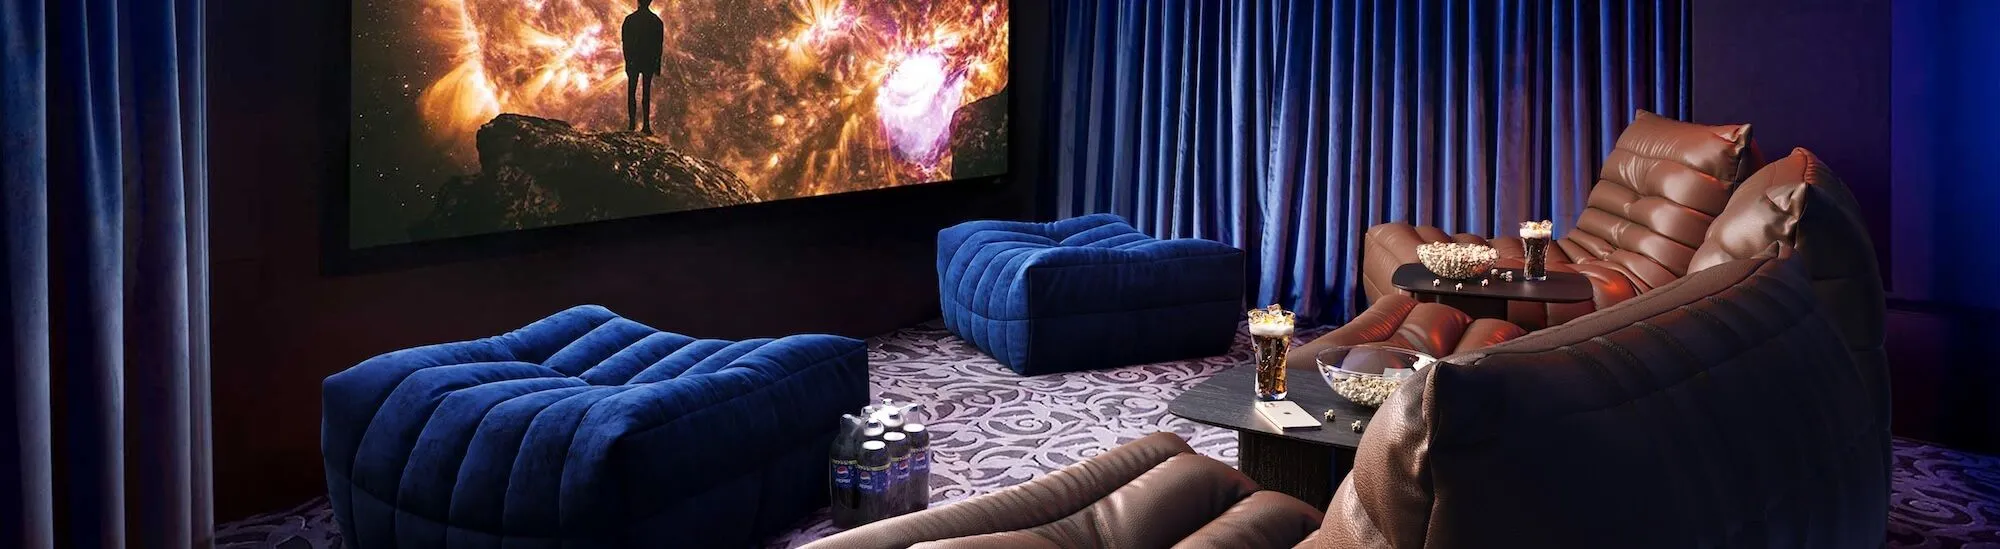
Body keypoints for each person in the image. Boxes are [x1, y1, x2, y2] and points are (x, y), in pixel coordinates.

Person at [622, 0, 665, 134]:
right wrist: (657, 65)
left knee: (632, 92)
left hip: (634, 60)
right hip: (648, 61)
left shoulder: (630, 20)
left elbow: (625, 44)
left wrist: (627, 61)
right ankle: (646, 125)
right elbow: (659, 46)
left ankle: (631, 124)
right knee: (646, 93)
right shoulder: (656, 21)